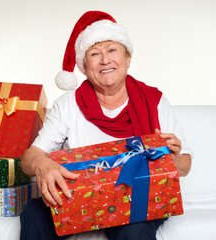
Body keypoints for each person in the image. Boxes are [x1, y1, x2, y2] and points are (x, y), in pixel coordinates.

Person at [20, 10, 192, 240]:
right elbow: (28, 158)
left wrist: (168, 158)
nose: (105, 60)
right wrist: (42, 164)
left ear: (127, 58)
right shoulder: (68, 105)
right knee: (33, 212)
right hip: (77, 197)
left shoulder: (155, 100)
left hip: (140, 196)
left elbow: (185, 164)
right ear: (84, 65)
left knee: (133, 229)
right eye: (94, 54)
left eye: (112, 50)